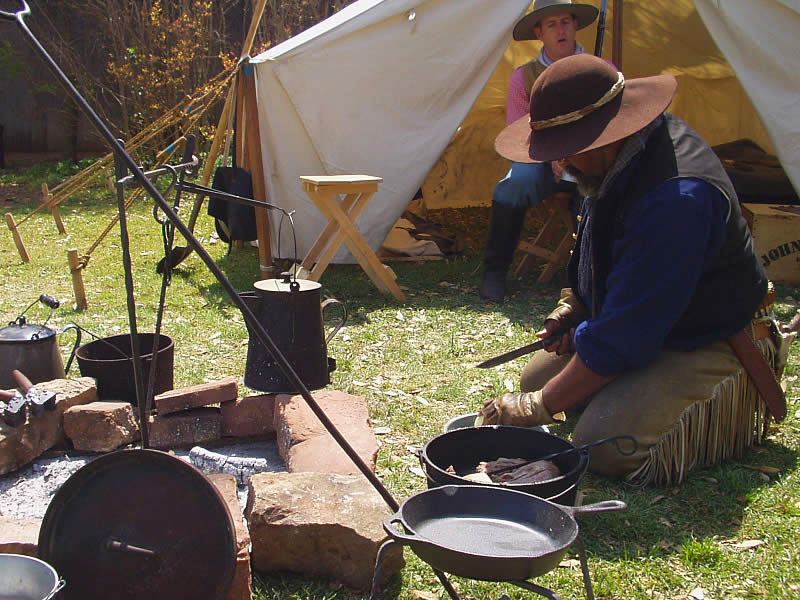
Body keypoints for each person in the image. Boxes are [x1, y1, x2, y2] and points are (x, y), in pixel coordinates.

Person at [480, 54, 789, 486]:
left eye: (567, 150)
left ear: (605, 136)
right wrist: (577, 306)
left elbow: (624, 335)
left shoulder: (676, 200)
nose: (561, 165)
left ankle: (714, 389)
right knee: (536, 376)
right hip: (655, 323)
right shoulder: (619, 156)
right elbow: (605, 255)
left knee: (604, 444)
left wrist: (536, 409)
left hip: (708, 337)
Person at [479, 0, 599, 303]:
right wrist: (552, 157)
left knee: (598, 193)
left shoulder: (602, 70)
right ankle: (494, 272)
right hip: (541, 161)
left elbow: (612, 128)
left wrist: (576, 159)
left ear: (574, 26)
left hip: (591, 162)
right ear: (539, 33)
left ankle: (589, 278)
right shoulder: (523, 77)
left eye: (565, 22)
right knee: (515, 182)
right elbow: (519, 134)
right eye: (551, 24)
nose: (561, 29)